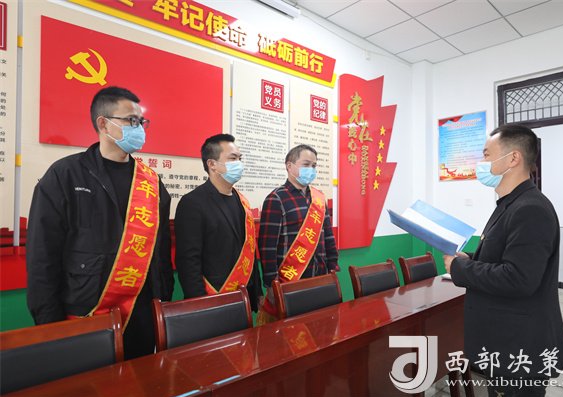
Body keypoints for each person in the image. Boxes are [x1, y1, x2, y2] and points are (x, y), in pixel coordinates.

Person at [27, 86, 174, 360]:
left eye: (141, 121)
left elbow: (161, 250)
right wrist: (49, 324)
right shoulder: (64, 176)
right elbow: (42, 255)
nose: (139, 128)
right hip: (84, 311)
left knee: (140, 379)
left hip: (141, 313)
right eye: (131, 120)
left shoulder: (151, 183)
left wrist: (163, 299)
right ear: (103, 124)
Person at [443, 124, 563, 397]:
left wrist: (459, 268)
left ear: (513, 158)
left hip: (519, 345)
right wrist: (471, 258)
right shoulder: (510, 203)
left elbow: (519, 278)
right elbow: (504, 257)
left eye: (487, 155)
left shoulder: (530, 208)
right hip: (506, 341)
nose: (482, 164)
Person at [175, 134, 262, 310]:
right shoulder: (192, 203)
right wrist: (200, 303)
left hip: (244, 294)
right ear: (212, 164)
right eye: (233, 158)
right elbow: (188, 261)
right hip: (213, 297)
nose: (239, 164)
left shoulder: (242, 201)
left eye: (240, 158)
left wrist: (258, 293)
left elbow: (250, 250)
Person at [257, 144, 338, 324]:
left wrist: (332, 263)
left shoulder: (319, 198)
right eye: (306, 164)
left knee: (319, 327)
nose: (311, 169)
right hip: (291, 281)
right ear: (289, 166)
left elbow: (328, 235)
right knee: (292, 332)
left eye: (314, 165)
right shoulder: (276, 198)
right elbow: (267, 246)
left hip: (320, 277)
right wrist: (271, 283)